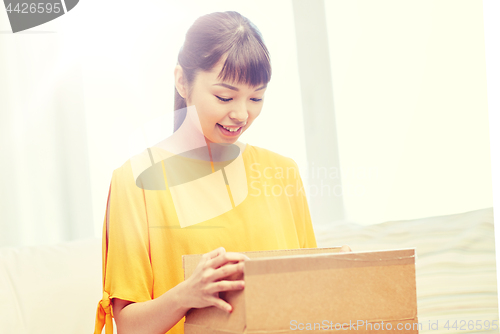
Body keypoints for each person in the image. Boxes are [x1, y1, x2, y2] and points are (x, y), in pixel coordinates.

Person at [93, 10, 350, 334]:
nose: (242, 113)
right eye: (224, 96)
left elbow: (306, 301)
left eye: (256, 97)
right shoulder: (135, 182)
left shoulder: (283, 173)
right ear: (182, 81)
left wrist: (340, 273)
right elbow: (129, 326)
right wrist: (186, 295)